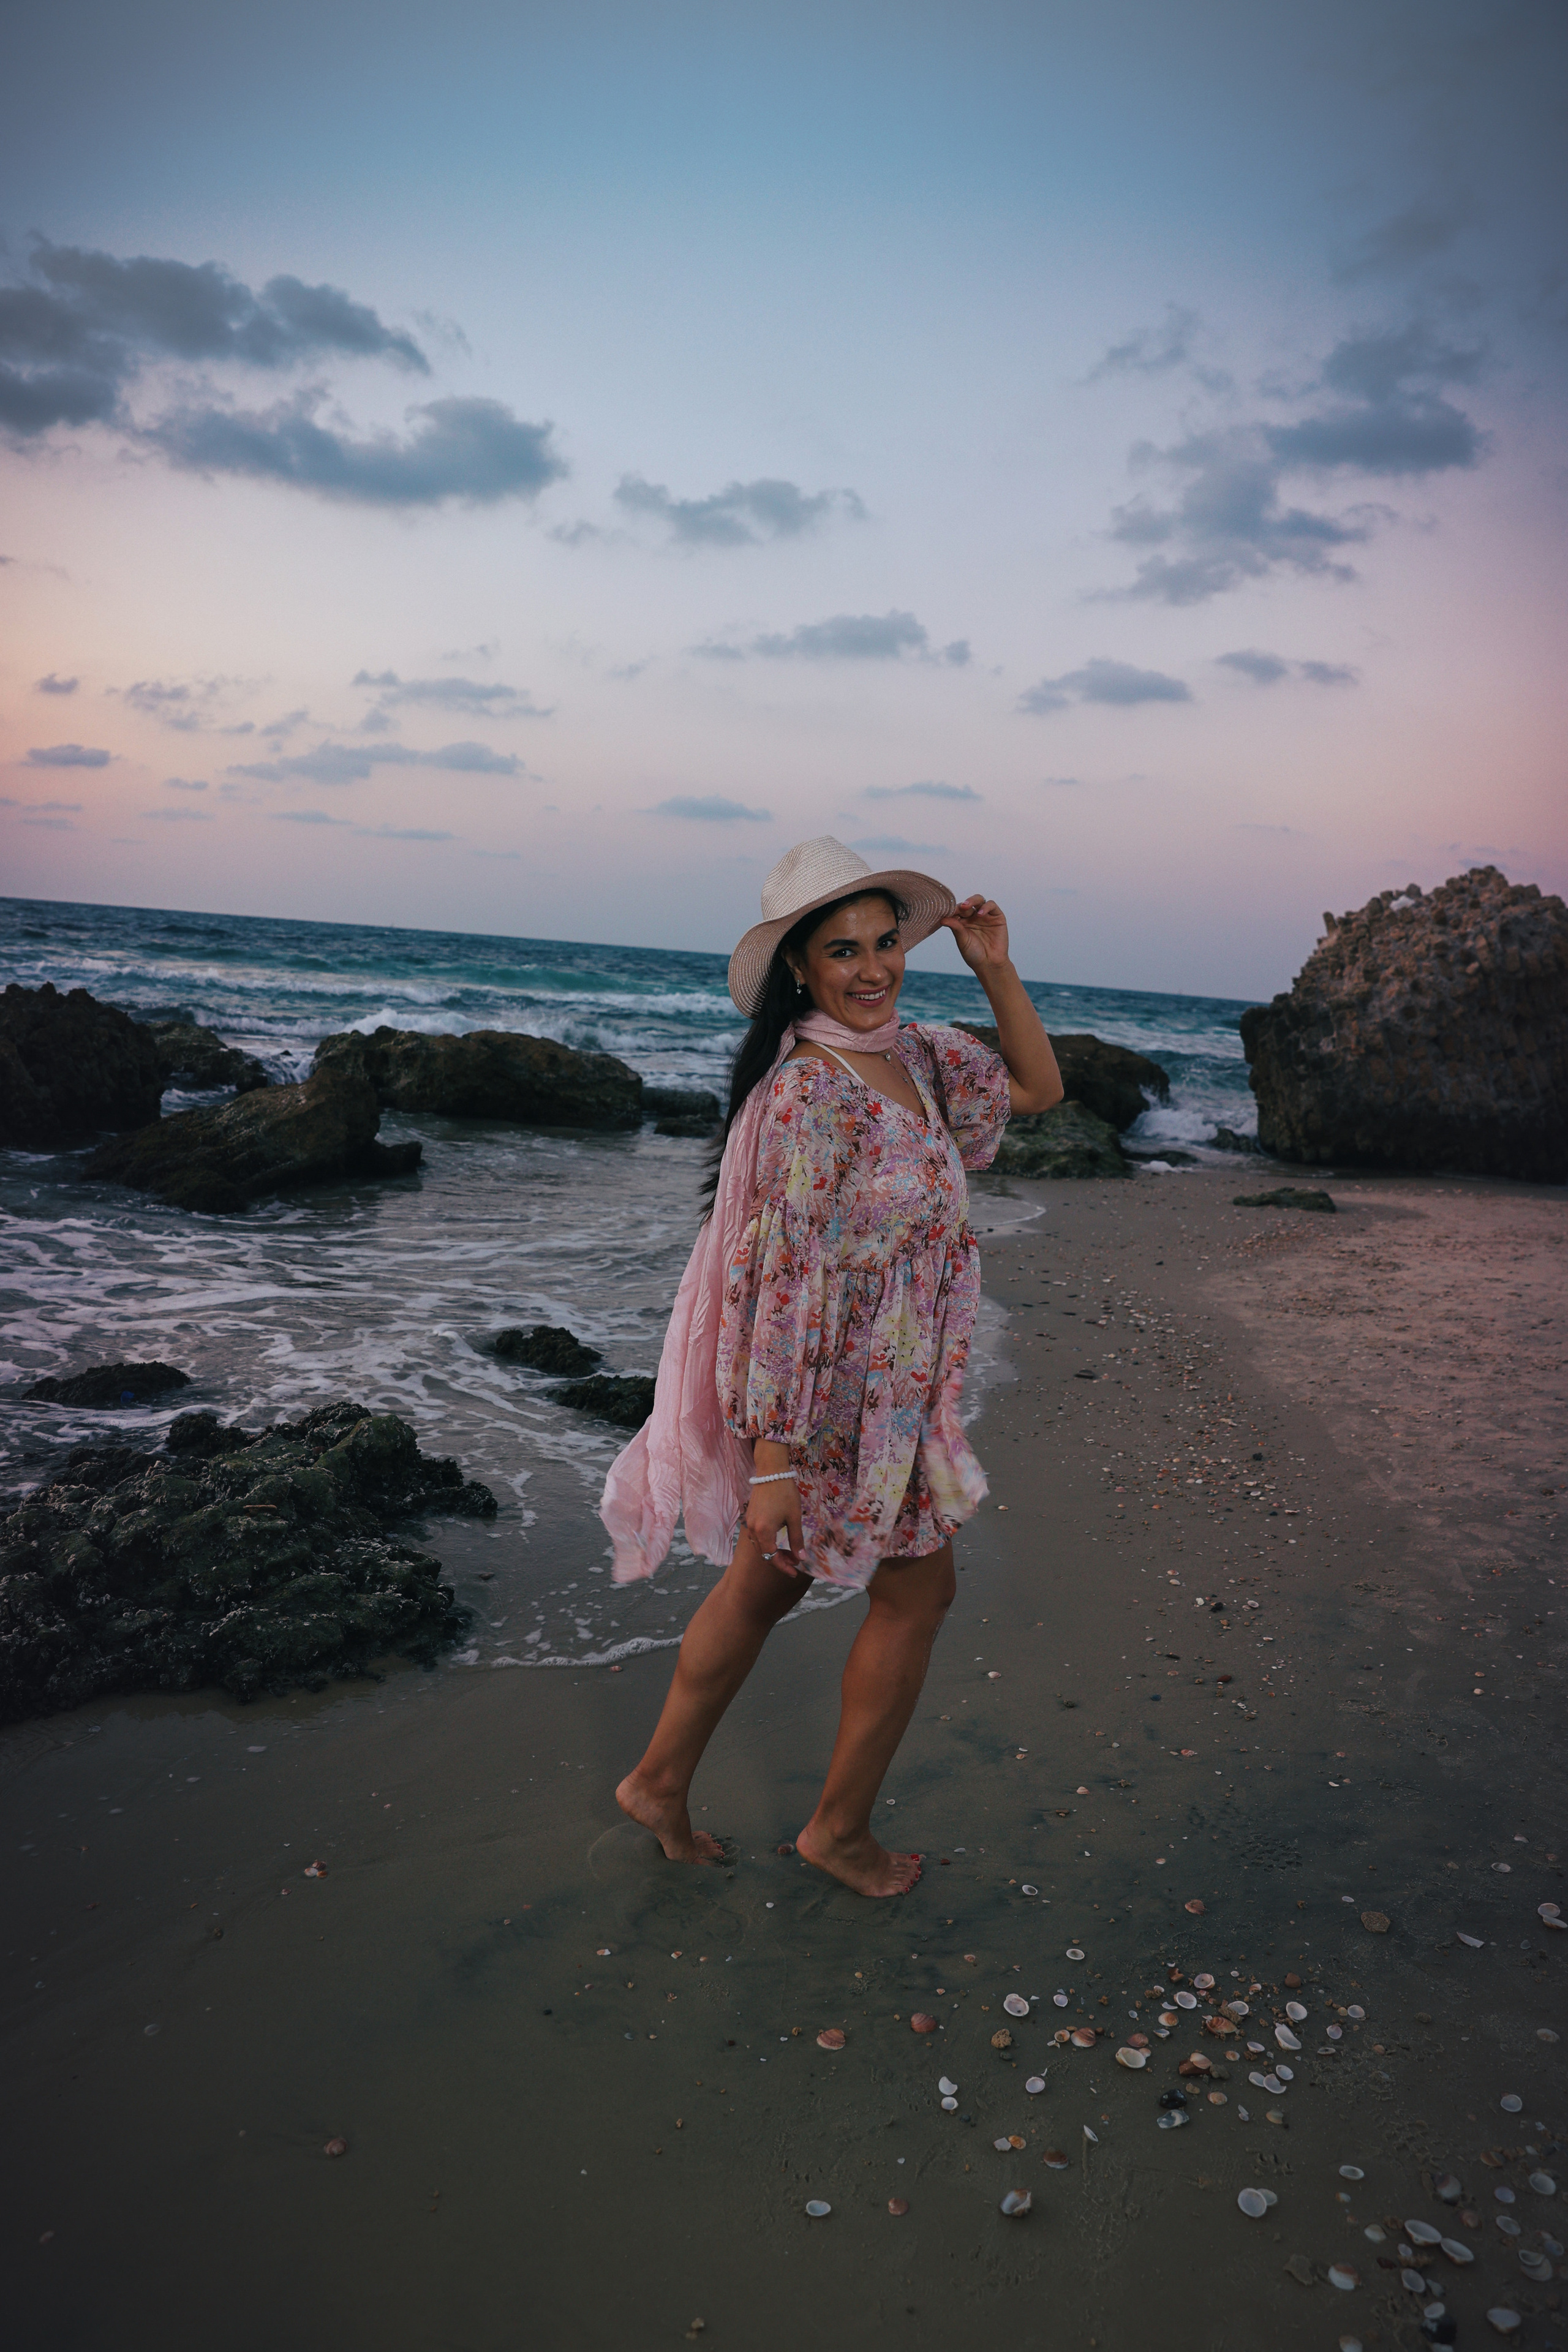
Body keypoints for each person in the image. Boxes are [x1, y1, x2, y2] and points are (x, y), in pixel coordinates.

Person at [601, 835, 1063, 1896]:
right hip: (835, 1407)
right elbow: (783, 1289)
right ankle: (837, 1832)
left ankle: (661, 1783)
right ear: (799, 972)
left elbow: (1036, 1089)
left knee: (761, 1589)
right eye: (842, 952)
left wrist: (994, 965)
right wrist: (770, 1465)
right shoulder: (811, 1096)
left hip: (897, 1396)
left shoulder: (920, 1059)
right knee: (918, 1592)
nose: (870, 970)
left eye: (885, 944)